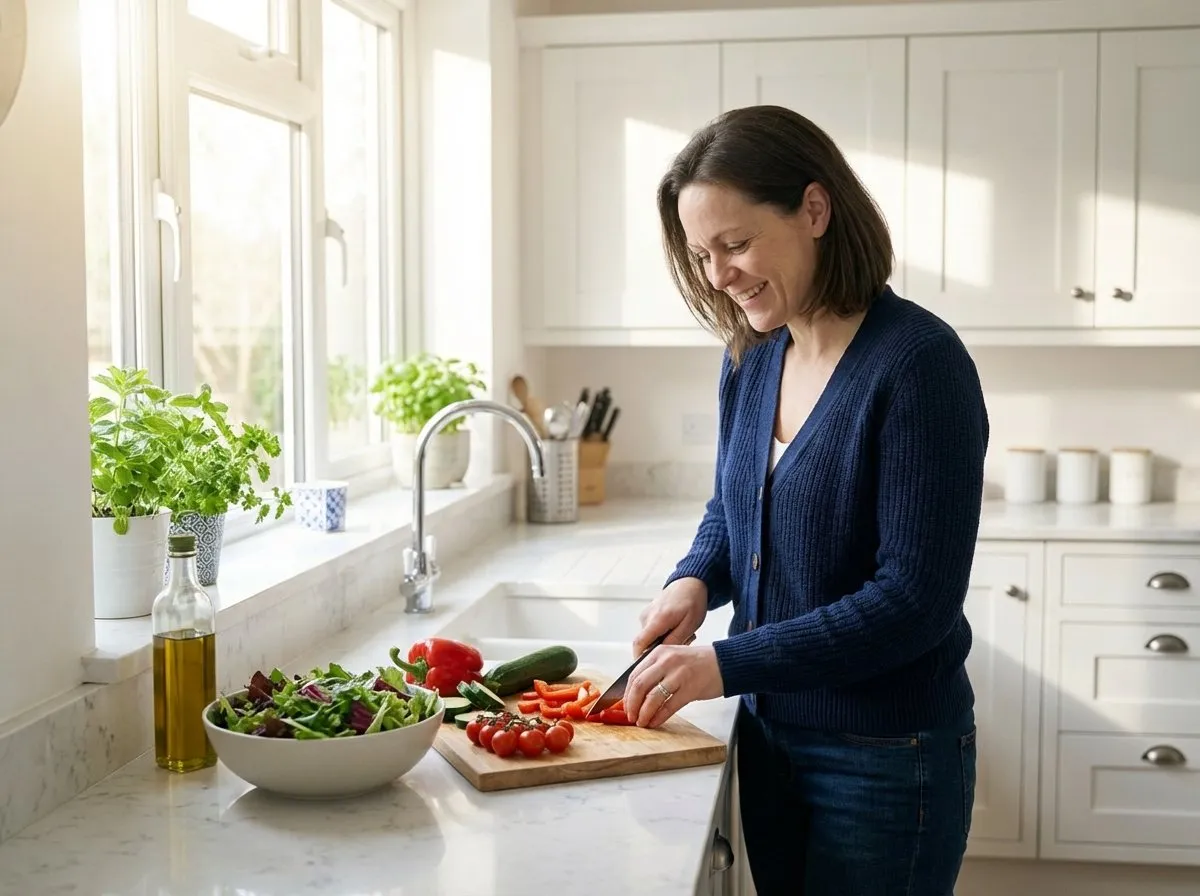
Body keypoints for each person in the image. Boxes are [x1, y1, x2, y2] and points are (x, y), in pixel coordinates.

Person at [620, 104, 989, 895]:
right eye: (701, 253)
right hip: (772, 735)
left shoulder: (920, 364)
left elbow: (914, 601)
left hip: (886, 760)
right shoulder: (751, 356)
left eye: (737, 243)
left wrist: (725, 662)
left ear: (814, 211)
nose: (719, 275)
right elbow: (733, 511)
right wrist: (695, 579)